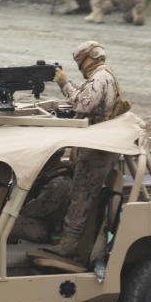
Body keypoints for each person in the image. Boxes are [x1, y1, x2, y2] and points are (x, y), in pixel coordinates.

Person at [47, 41, 131, 261]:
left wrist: (65, 84)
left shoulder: (100, 78)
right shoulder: (104, 76)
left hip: (97, 149)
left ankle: (68, 244)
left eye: (81, 62)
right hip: (100, 144)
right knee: (83, 193)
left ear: (91, 58)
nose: (81, 67)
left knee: (81, 195)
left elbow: (83, 105)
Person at [8, 152, 73, 244]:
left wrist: (14, 209)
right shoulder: (49, 175)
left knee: (3, 223)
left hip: (47, 229)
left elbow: (36, 210)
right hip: (39, 222)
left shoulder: (59, 182)